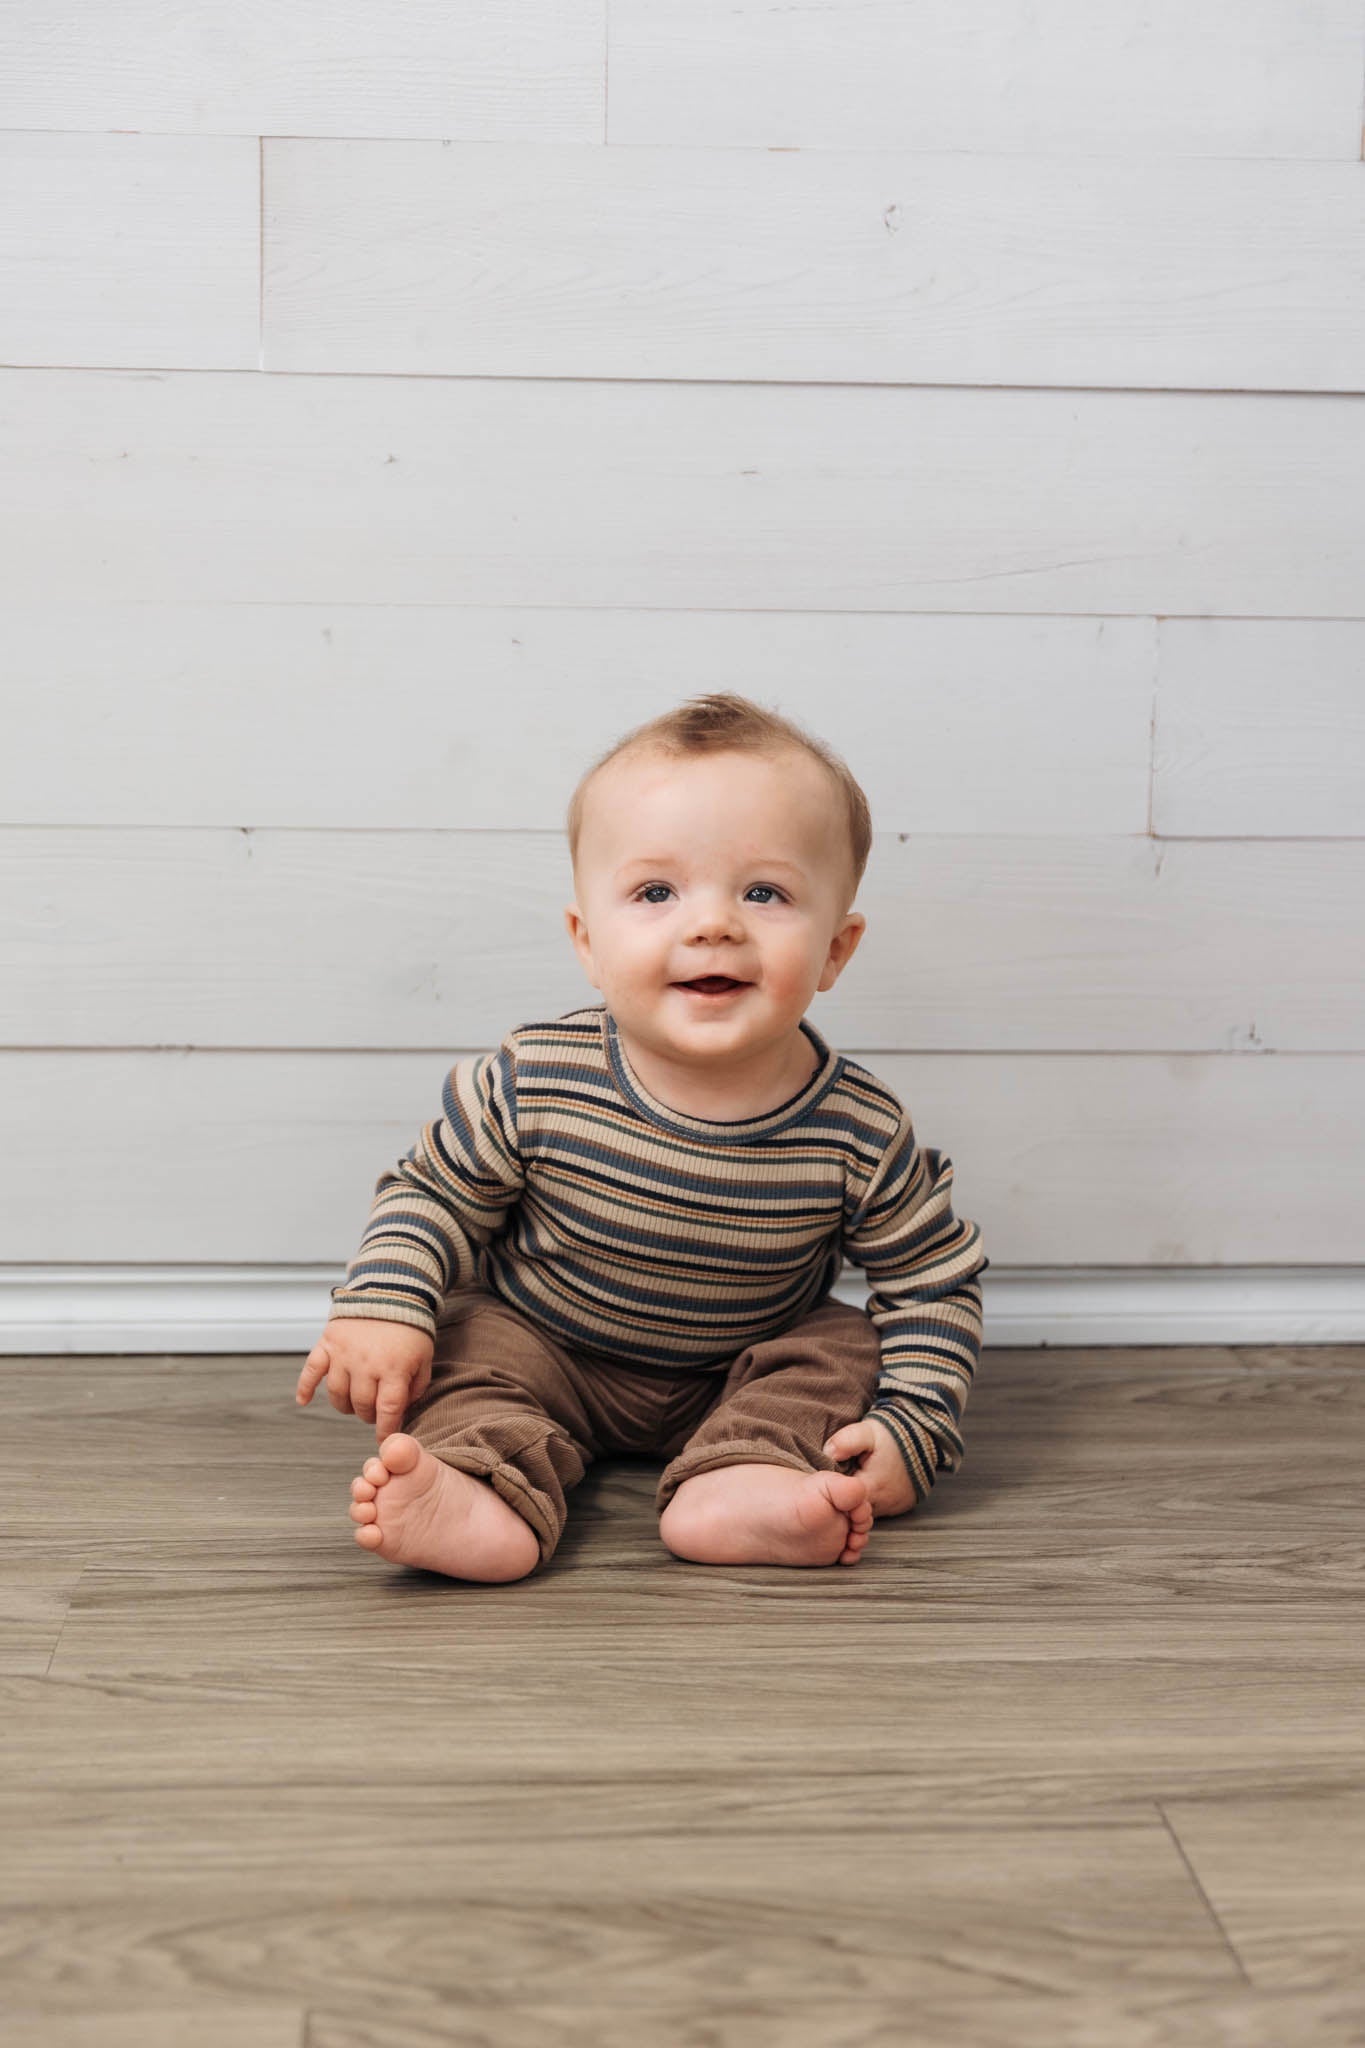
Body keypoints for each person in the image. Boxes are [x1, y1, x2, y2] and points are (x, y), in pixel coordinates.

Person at [295, 691, 989, 1581]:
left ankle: (741, 1479)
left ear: (834, 951)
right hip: (546, 1344)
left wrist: (912, 1428)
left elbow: (930, 1279)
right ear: (587, 941)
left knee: (842, 1344)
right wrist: (381, 1303)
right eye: (656, 891)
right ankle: (480, 1489)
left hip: (738, 1370)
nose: (711, 923)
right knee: (468, 1343)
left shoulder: (858, 1129)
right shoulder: (531, 1078)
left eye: (765, 892)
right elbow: (431, 1193)